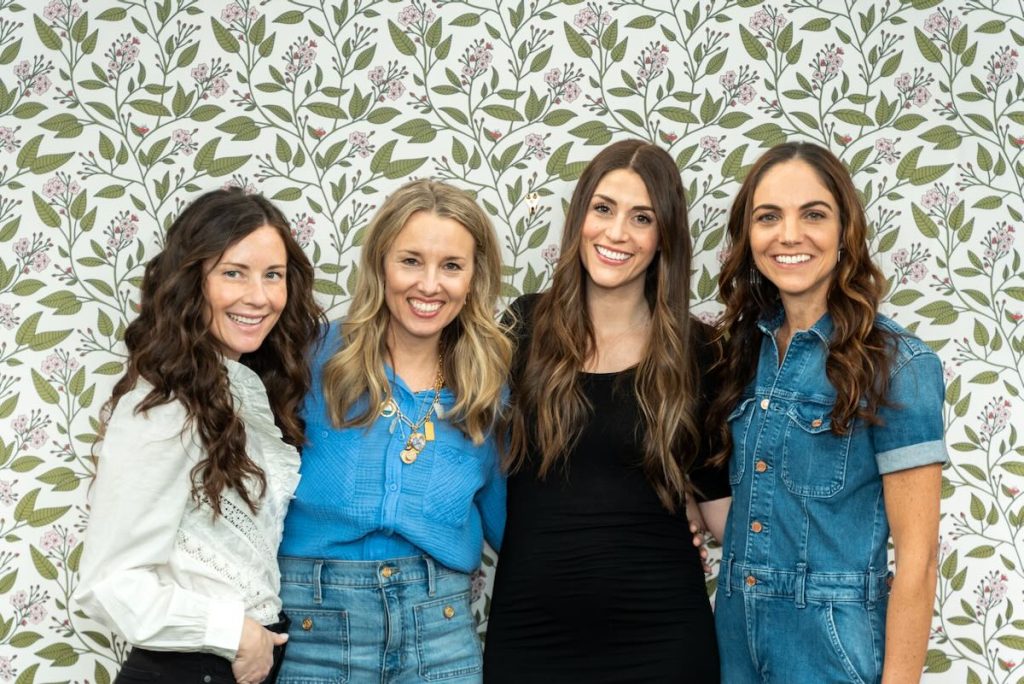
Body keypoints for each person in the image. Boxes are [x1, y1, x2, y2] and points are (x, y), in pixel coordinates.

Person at [483, 139, 731, 683]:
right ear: (580, 219)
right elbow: (464, 455)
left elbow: (724, 507)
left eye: (641, 217)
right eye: (603, 208)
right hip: (531, 637)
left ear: (664, 234)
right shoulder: (520, 329)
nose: (616, 233)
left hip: (663, 639)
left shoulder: (701, 351)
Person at [708, 141, 946, 683]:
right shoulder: (738, 355)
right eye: (769, 217)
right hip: (733, 647)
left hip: (831, 653)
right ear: (749, 236)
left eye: (813, 214)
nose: (789, 235)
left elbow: (919, 559)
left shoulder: (896, 364)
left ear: (845, 232)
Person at [75, 189, 323, 684]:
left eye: (272, 275)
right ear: (191, 282)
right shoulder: (166, 406)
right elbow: (110, 584)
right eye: (234, 272)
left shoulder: (237, 391)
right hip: (191, 669)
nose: (259, 296)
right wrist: (238, 633)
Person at [276, 180, 511, 683]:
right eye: (410, 261)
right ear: (380, 263)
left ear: (474, 277)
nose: (429, 285)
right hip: (313, 630)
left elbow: (520, 525)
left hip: (440, 636)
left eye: (451, 265)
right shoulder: (309, 358)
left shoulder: (490, 388)